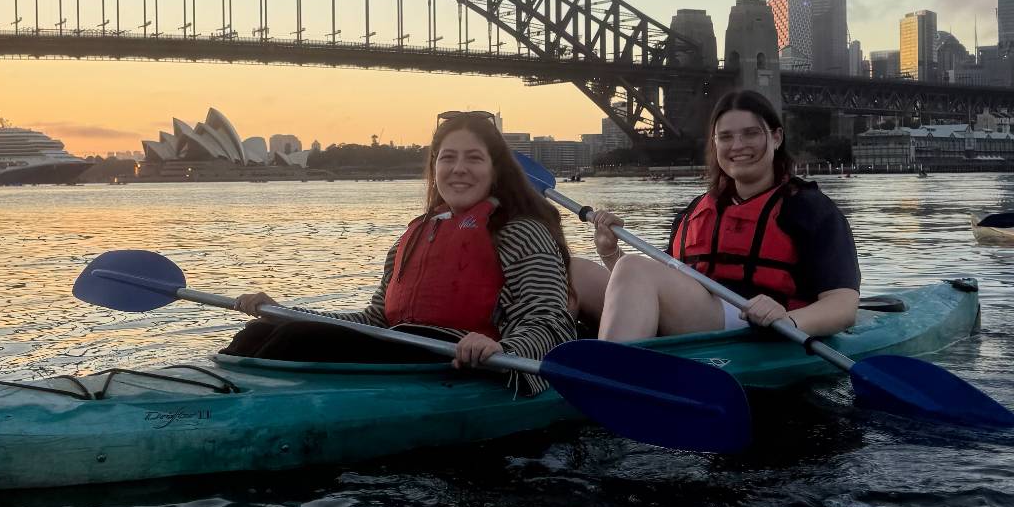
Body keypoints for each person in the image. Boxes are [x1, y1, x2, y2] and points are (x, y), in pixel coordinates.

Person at [227, 110, 577, 377]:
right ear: (434, 167)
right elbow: (374, 317)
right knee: (258, 332)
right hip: (402, 346)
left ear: (495, 171)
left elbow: (549, 322)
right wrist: (284, 312)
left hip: (463, 362)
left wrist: (501, 348)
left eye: (473, 158)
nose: (458, 169)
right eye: (447, 157)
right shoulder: (413, 237)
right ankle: (212, 399)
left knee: (296, 342)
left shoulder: (521, 232)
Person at [567, 89, 860, 341]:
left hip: (753, 323)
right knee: (572, 269)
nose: (737, 146)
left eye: (750, 133)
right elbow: (652, 288)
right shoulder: (694, 212)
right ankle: (544, 357)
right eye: (726, 137)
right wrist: (610, 254)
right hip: (697, 316)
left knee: (634, 266)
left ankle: (609, 377)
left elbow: (843, 305)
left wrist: (790, 322)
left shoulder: (810, 208)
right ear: (715, 143)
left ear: (776, 137)